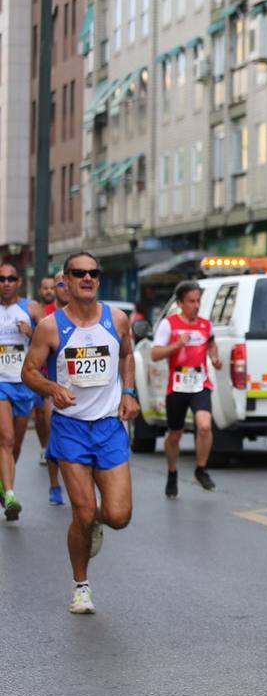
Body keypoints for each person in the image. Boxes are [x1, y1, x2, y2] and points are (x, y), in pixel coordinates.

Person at [22, 253, 138, 614]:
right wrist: (51, 389)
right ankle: (81, 585)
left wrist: (129, 393)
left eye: (93, 273)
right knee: (84, 513)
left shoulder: (117, 319)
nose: (87, 278)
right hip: (70, 428)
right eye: (79, 273)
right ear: (66, 280)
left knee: (118, 516)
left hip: (108, 427)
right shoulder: (51, 327)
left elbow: (128, 356)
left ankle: (95, 528)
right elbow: (29, 371)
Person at [151, 280, 223, 498]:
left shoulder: (205, 324)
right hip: (178, 384)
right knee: (175, 434)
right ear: (181, 303)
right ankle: (172, 473)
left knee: (204, 426)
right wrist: (177, 345)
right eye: (191, 301)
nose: (196, 305)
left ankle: (200, 469)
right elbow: (155, 354)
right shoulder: (169, 325)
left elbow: (211, 343)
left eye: (198, 301)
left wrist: (215, 357)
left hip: (199, 382)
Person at [0, 263, 43, 521]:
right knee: (5, 439)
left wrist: (32, 332)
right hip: (0, 383)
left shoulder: (31, 308)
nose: (5, 282)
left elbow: (53, 339)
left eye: (10, 278)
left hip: (24, 382)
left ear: (18, 282)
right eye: (1, 278)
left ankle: (4, 484)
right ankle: (11, 496)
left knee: (14, 444)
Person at [36, 275, 64, 504]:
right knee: (51, 428)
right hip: (51, 383)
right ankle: (55, 485)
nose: (65, 287)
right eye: (60, 284)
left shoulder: (90, 315)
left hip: (83, 387)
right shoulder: (46, 316)